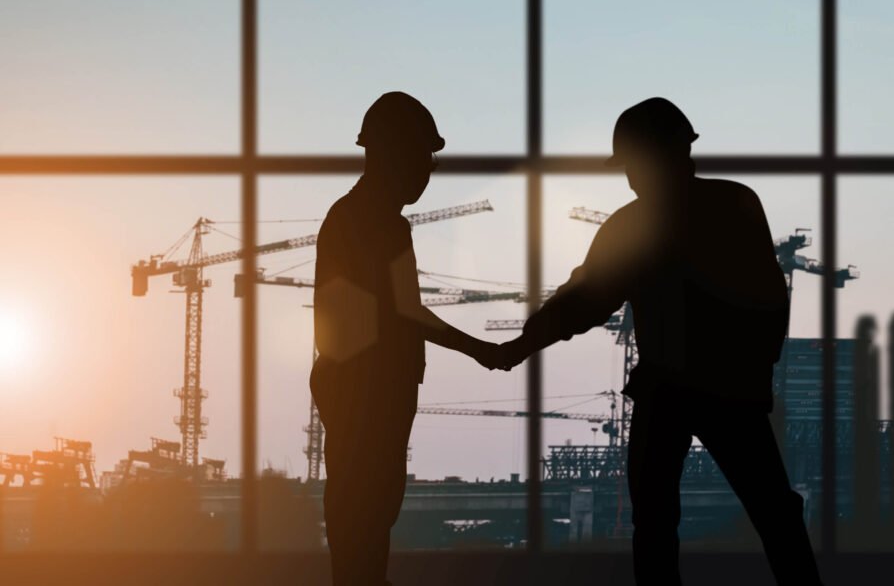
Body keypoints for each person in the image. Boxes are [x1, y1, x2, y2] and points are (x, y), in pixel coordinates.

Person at [498, 97, 824, 585]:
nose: (628, 178)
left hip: (669, 391)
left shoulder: (632, 225)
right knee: (772, 510)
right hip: (726, 390)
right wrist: (756, 374)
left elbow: (584, 299)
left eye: (631, 165)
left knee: (656, 522)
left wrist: (520, 346)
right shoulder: (735, 203)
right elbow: (770, 300)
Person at [311, 91, 502, 586]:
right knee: (363, 515)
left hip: (369, 390)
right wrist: (479, 349)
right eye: (422, 156)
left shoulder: (371, 219)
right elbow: (405, 314)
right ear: (391, 155)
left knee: (368, 517)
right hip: (366, 393)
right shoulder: (372, 222)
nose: (428, 170)